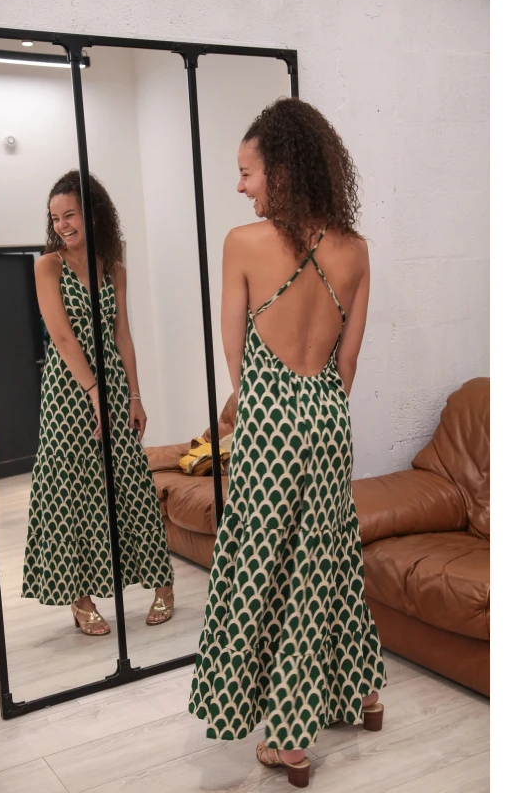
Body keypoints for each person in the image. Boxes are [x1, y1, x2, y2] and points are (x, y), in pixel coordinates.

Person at [189, 98, 386, 787]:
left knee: (265, 570)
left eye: (247, 172)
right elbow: (347, 364)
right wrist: (318, 413)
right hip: (328, 420)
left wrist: (265, 412)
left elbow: (236, 355)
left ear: (282, 169)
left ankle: (288, 739)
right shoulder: (355, 250)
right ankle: (362, 691)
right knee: (326, 562)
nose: (240, 186)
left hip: (269, 421)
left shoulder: (242, 244)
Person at [21, 170, 175, 633]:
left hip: (113, 386)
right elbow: (62, 337)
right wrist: (94, 394)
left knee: (130, 481)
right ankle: (80, 597)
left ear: (92, 214)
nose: (62, 225)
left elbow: (122, 335)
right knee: (68, 489)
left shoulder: (115, 268)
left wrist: (134, 395)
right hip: (67, 391)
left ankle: (162, 584)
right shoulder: (47, 267)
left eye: (70, 214)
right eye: (55, 218)